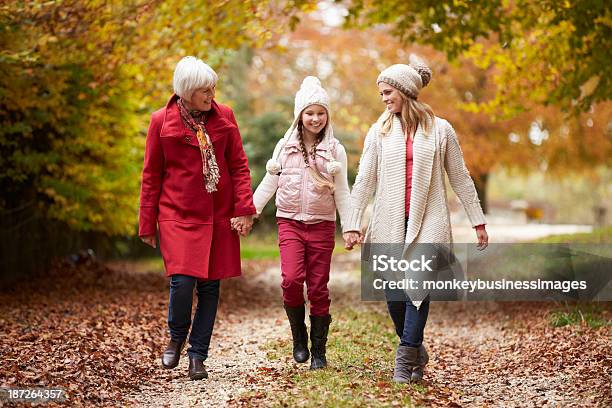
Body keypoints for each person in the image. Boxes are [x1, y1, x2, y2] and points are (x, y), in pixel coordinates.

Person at [343, 59, 488, 383]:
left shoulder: (441, 130)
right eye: (381, 93)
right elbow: (364, 180)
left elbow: (460, 178)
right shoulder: (378, 131)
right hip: (389, 220)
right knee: (394, 294)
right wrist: (352, 223)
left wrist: (478, 220)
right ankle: (415, 346)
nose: (383, 98)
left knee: (418, 288)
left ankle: (405, 360)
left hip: (429, 220)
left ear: (406, 91)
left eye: (387, 91)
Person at [139, 56, 256, 380]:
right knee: (182, 280)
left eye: (213, 88)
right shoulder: (160, 121)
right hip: (177, 212)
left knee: (209, 287)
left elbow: (238, 166)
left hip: (218, 214)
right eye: (206, 90)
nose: (212, 95)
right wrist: (147, 223)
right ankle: (176, 337)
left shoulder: (226, 117)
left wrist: (244, 209)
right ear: (188, 92)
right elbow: (151, 175)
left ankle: (197, 356)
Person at [253, 76, 351, 369]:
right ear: (299, 115)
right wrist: (251, 210)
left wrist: (350, 227)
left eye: (321, 113)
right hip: (290, 223)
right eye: (309, 113)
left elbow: (343, 191)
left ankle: (318, 351)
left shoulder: (336, 151)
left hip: (321, 224)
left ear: (327, 116)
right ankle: (299, 338)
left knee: (318, 286)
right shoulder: (284, 148)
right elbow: (270, 181)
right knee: (292, 281)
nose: (315, 118)